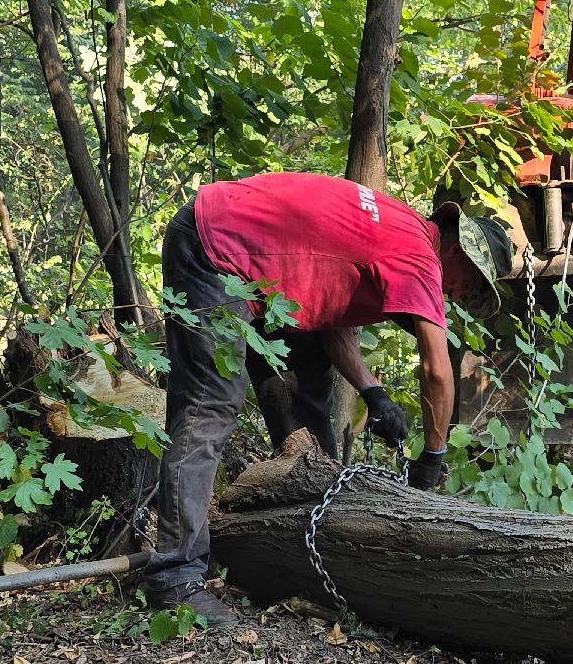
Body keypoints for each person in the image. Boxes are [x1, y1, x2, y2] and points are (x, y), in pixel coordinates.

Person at [145, 171, 511, 625]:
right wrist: (432, 458)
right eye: (471, 283)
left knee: (306, 381)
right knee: (211, 402)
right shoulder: (421, 257)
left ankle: (302, 541)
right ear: (457, 251)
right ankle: (176, 574)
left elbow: (331, 318)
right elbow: (437, 371)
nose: (461, 295)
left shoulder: (398, 231)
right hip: (214, 249)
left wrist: (373, 392)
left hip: (246, 261)